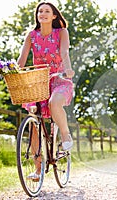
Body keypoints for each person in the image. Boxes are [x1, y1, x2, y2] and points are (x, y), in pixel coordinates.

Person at [17, 2, 74, 181]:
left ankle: (65, 133)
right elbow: (22, 58)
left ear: (54, 16)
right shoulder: (31, 36)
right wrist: (12, 70)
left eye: (47, 11)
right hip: (39, 83)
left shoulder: (61, 33)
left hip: (59, 78)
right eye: (40, 11)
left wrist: (68, 68)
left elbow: (64, 52)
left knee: (54, 102)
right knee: (35, 124)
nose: (43, 14)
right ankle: (38, 168)